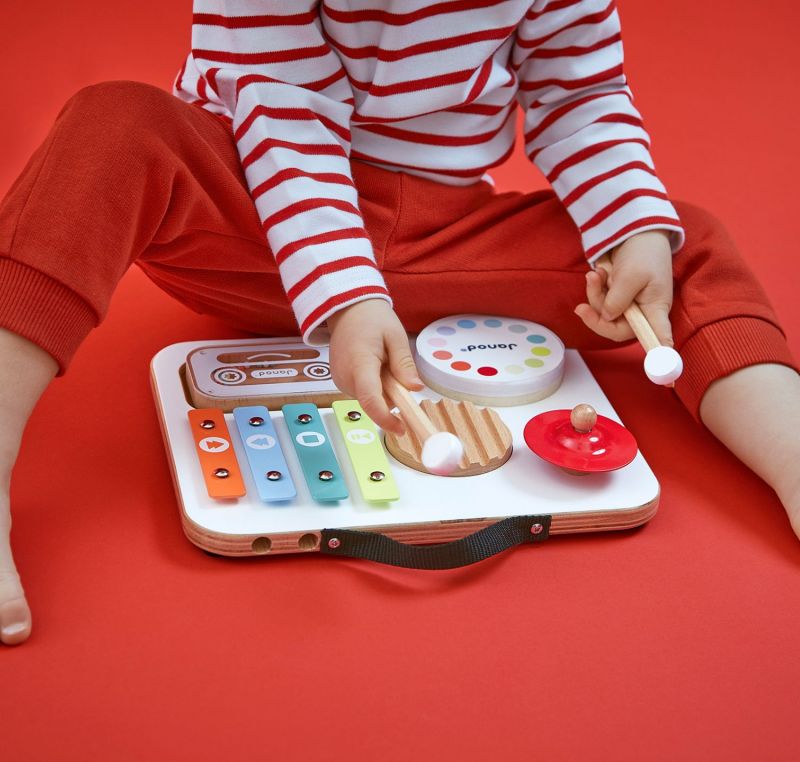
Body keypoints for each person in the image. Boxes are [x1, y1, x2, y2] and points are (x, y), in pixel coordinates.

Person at [1, 0, 798, 646]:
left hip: (439, 244)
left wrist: (630, 227)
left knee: (677, 237)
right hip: (249, 217)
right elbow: (285, 113)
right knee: (114, 124)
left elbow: (579, 91)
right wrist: (345, 294)